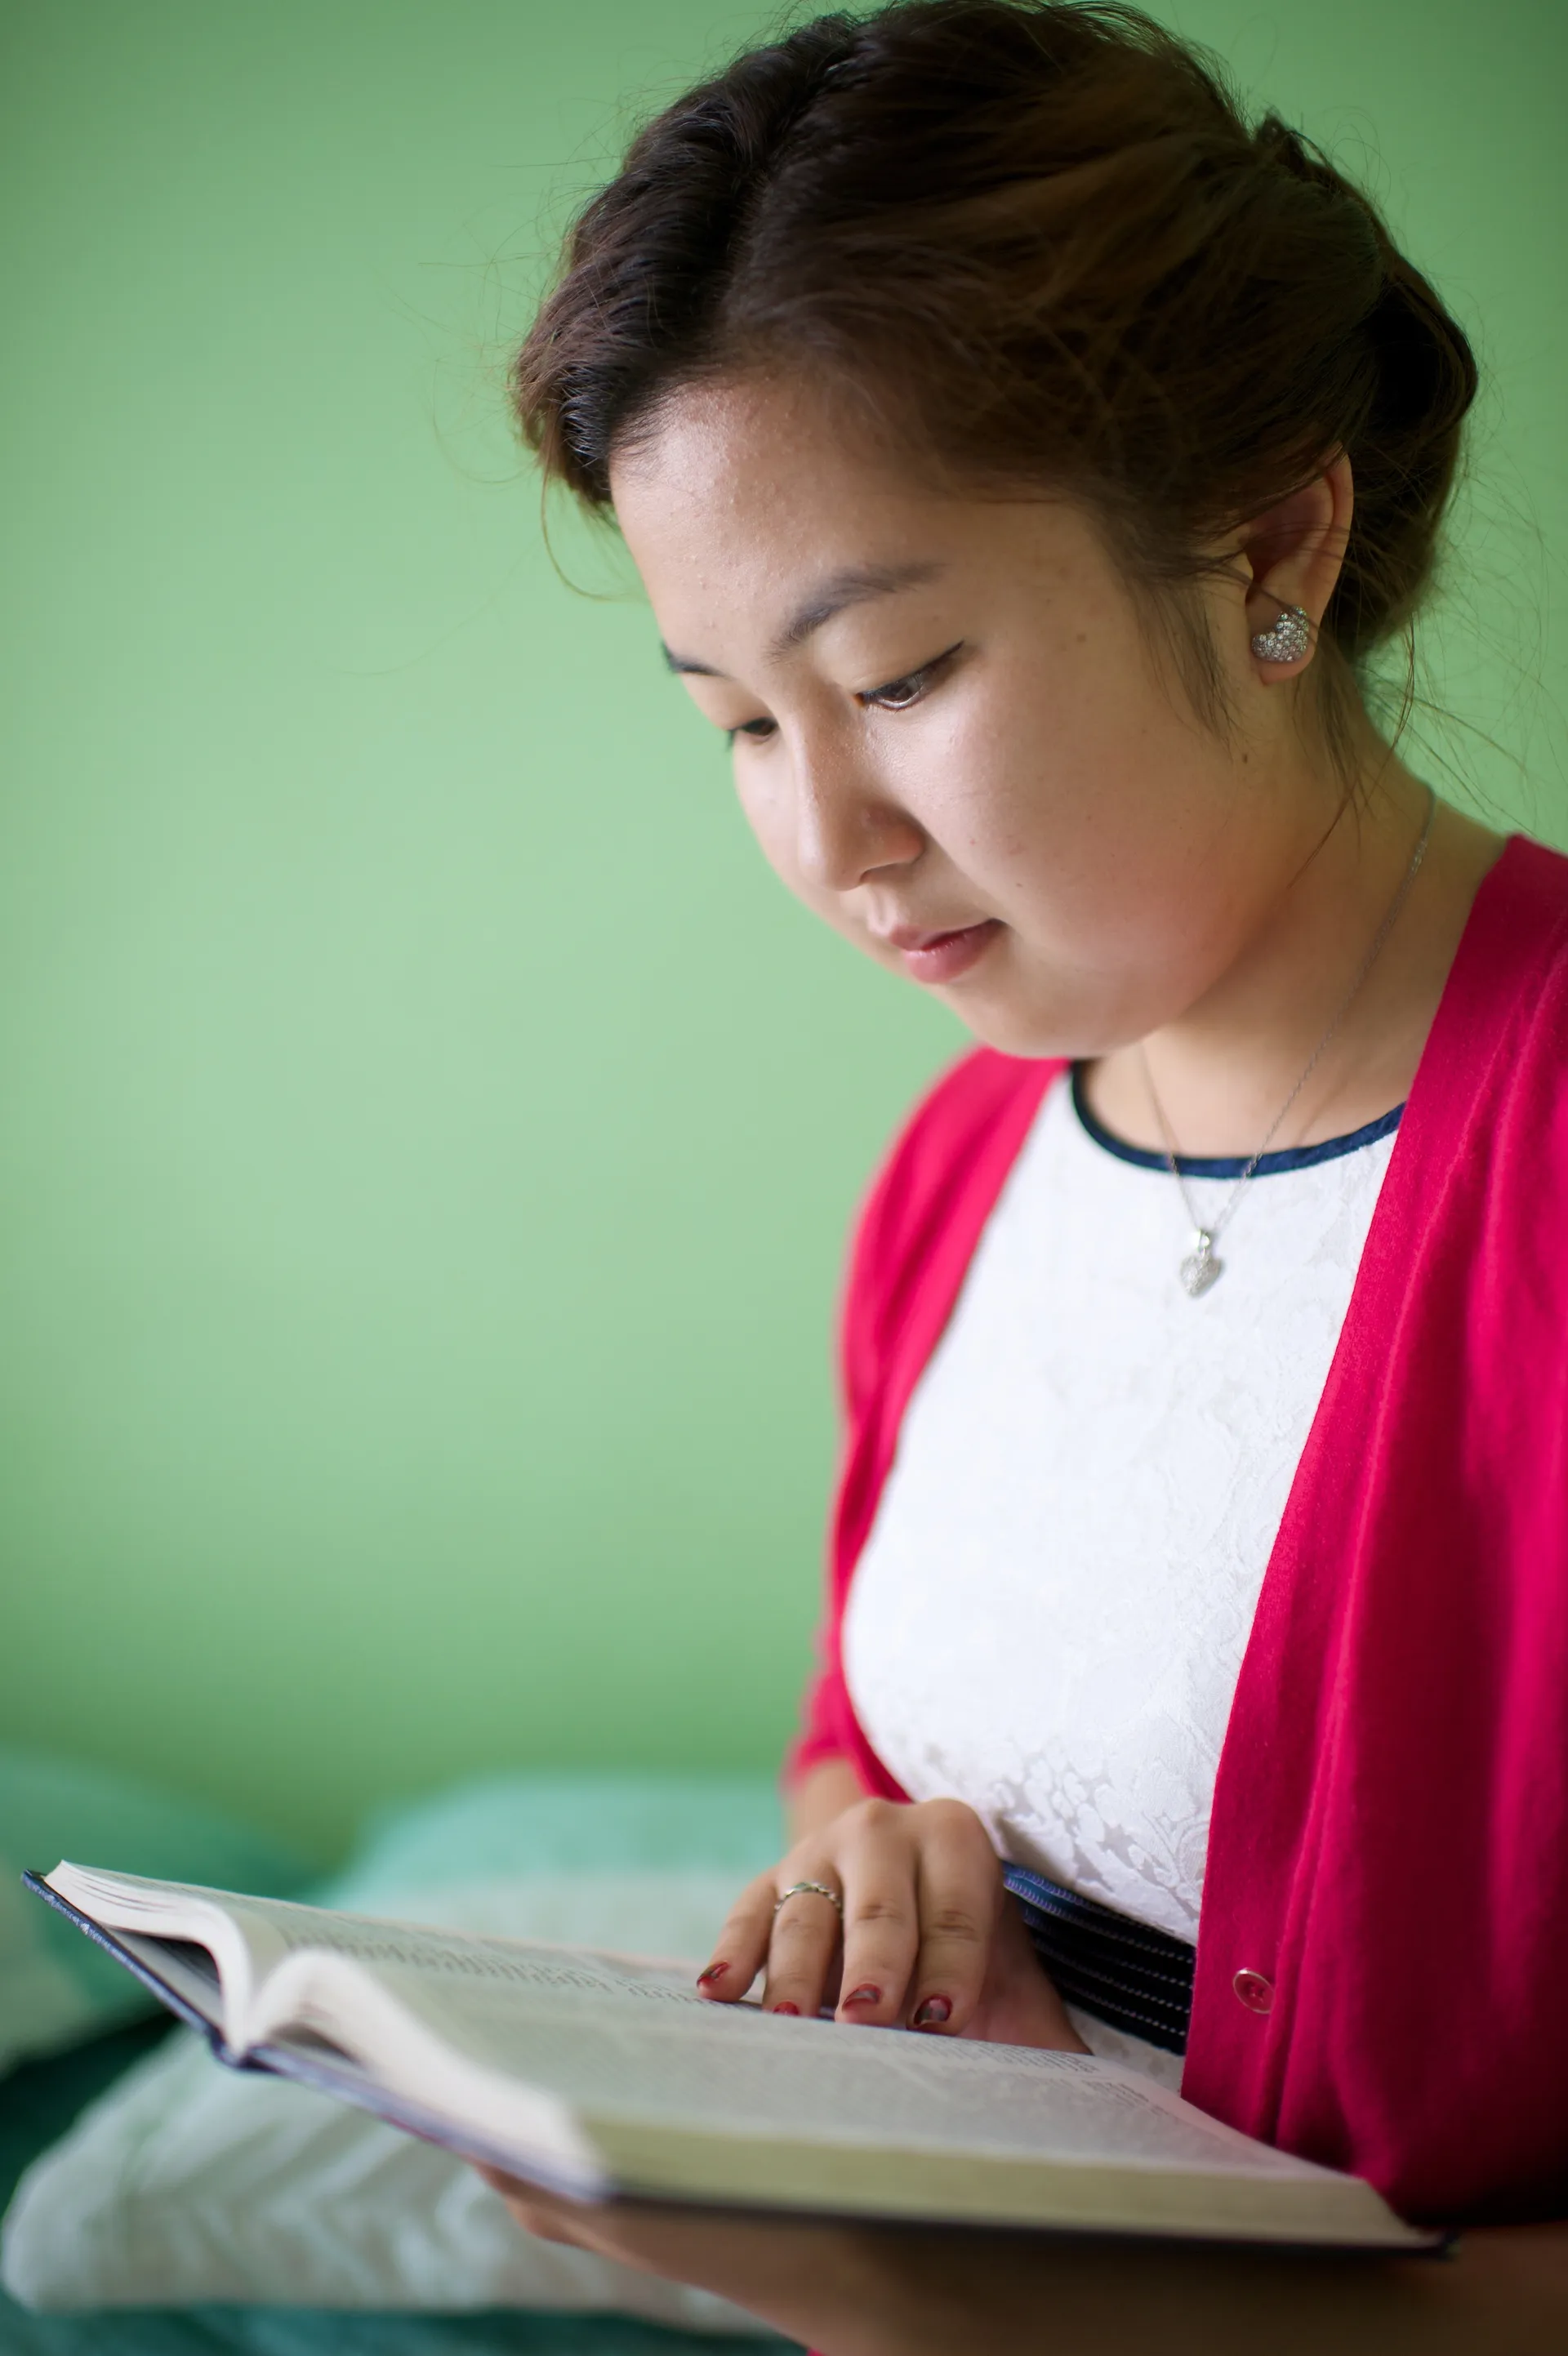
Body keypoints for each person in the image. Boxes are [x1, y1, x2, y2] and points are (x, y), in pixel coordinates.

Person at [484, 3, 1568, 2345]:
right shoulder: (969, 1160)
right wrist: (867, 1870)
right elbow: (865, 1738)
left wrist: (990, 2307)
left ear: (1277, 535)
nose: (827, 840)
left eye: (897, 673)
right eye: (741, 724)